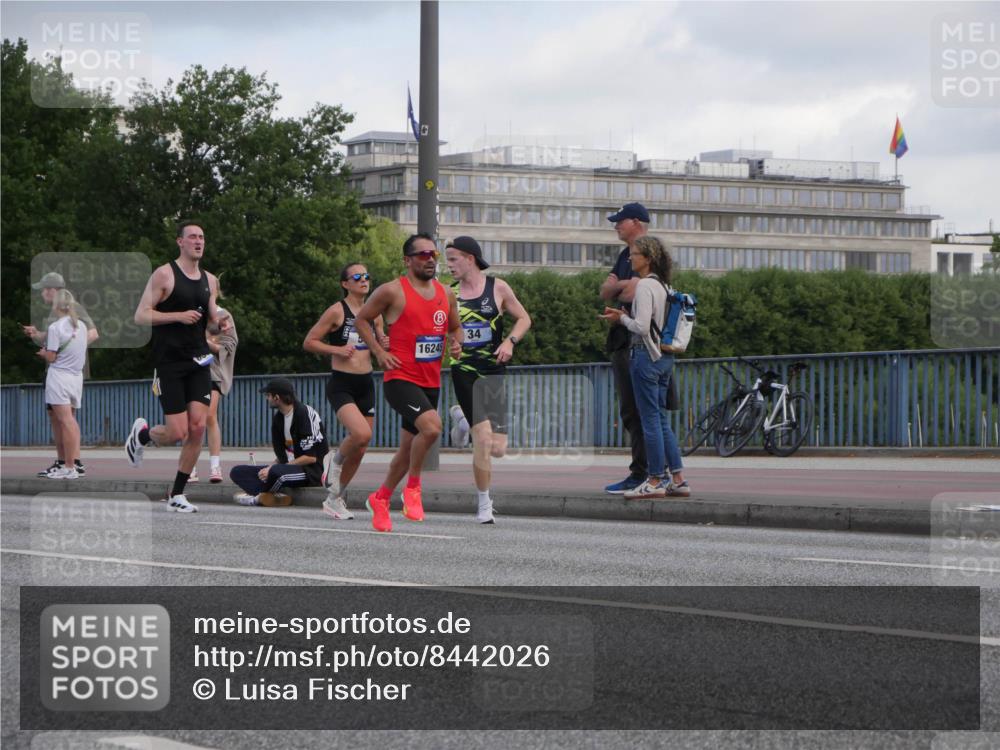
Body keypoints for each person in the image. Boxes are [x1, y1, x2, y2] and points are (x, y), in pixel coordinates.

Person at [354, 233, 463, 533]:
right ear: (407, 260)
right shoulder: (392, 291)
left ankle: (381, 497)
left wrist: (456, 343)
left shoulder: (446, 294)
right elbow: (362, 320)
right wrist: (379, 351)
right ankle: (413, 489)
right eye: (423, 255)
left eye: (434, 255)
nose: (430, 259)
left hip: (430, 381)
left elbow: (456, 328)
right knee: (432, 428)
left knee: (406, 451)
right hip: (400, 377)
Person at [124, 221, 229, 513]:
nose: (198, 241)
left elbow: (210, 317)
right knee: (177, 432)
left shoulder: (209, 280)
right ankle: (142, 435)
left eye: (202, 237)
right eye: (192, 237)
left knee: (198, 427)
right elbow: (141, 315)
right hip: (169, 362)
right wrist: (177, 316)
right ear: (179, 242)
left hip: (198, 360)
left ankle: (177, 495)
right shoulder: (164, 274)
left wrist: (220, 321)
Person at [444, 236, 532, 523]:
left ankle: (461, 419)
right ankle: (484, 504)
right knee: (483, 439)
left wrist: (510, 342)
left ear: (470, 258)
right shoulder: (449, 294)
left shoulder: (499, 287)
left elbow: (524, 319)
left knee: (498, 449)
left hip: (493, 371)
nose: (449, 265)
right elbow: (438, 331)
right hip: (465, 371)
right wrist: (451, 344)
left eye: (454, 258)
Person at [600, 236, 690, 498]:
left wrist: (621, 318)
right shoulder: (664, 285)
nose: (631, 258)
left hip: (644, 357)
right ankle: (678, 479)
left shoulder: (645, 287)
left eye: (636, 254)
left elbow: (640, 326)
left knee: (649, 420)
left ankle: (654, 480)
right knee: (661, 421)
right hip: (664, 358)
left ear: (648, 259)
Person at [303, 262, 390, 521]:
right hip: (342, 384)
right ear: (345, 284)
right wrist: (336, 350)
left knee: (362, 446)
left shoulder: (375, 313)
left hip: (366, 383)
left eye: (367, 275)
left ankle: (334, 499)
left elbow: (378, 343)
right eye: (358, 277)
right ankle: (334, 459)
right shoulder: (336, 311)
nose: (364, 280)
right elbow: (309, 342)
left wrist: (384, 342)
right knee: (360, 433)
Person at [24, 271, 98, 478]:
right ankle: (65, 461)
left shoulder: (74, 309)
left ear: (53, 291)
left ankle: (72, 462)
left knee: (66, 417)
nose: (41, 294)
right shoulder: (56, 317)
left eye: (44, 290)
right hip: (66, 369)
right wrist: (37, 335)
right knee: (58, 416)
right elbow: (55, 340)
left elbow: (92, 333)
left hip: (65, 371)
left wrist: (67, 353)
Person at [599, 202, 650, 494]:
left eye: (620, 221)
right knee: (632, 411)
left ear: (637, 222)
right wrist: (620, 286)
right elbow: (605, 291)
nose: (616, 225)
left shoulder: (648, 251)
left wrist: (620, 286)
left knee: (641, 410)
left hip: (638, 340)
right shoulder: (624, 255)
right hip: (622, 338)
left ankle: (645, 473)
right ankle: (651, 472)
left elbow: (634, 290)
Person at [229, 378, 329, 506]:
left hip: (312, 472)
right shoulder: (278, 419)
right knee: (237, 471)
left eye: (268, 395)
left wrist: (275, 469)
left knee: (276, 473)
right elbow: (285, 454)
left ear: (277, 398)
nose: (267, 399)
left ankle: (257, 497)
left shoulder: (304, 413)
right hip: (289, 467)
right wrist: (270, 467)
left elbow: (310, 458)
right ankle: (269, 496)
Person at [35, 290, 91, 478]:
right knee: (70, 420)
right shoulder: (81, 326)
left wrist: (44, 354)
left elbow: (51, 357)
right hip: (76, 377)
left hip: (59, 377)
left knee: (65, 422)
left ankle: (68, 466)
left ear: (56, 306)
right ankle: (71, 463)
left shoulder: (55, 328)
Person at [203, 306, 238, 483]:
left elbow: (228, 346)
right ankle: (189, 467)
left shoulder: (224, 315)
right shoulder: (190, 310)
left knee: (209, 415)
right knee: (189, 419)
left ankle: (215, 466)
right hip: (189, 368)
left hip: (212, 373)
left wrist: (205, 341)